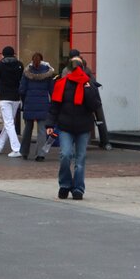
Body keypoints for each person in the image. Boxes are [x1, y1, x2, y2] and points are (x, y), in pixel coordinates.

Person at [46, 56, 103, 200]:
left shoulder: (89, 84)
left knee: (80, 159)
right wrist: (50, 124)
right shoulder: (62, 84)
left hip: (83, 127)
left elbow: (95, 106)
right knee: (65, 155)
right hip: (65, 125)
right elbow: (55, 106)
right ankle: (65, 185)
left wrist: (88, 89)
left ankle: (78, 188)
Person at [0, 45, 24, 157]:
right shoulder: (19, 65)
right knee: (10, 122)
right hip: (16, 97)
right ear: (13, 54)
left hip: (4, 97)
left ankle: (16, 149)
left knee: (9, 123)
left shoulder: (0, 65)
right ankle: (0, 144)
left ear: (3, 55)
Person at [19, 52, 56, 160]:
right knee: (41, 130)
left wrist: (24, 101)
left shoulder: (27, 72)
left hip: (29, 102)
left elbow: (22, 89)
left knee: (27, 129)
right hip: (43, 102)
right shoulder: (48, 73)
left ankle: (24, 152)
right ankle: (40, 154)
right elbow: (51, 90)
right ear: (42, 60)